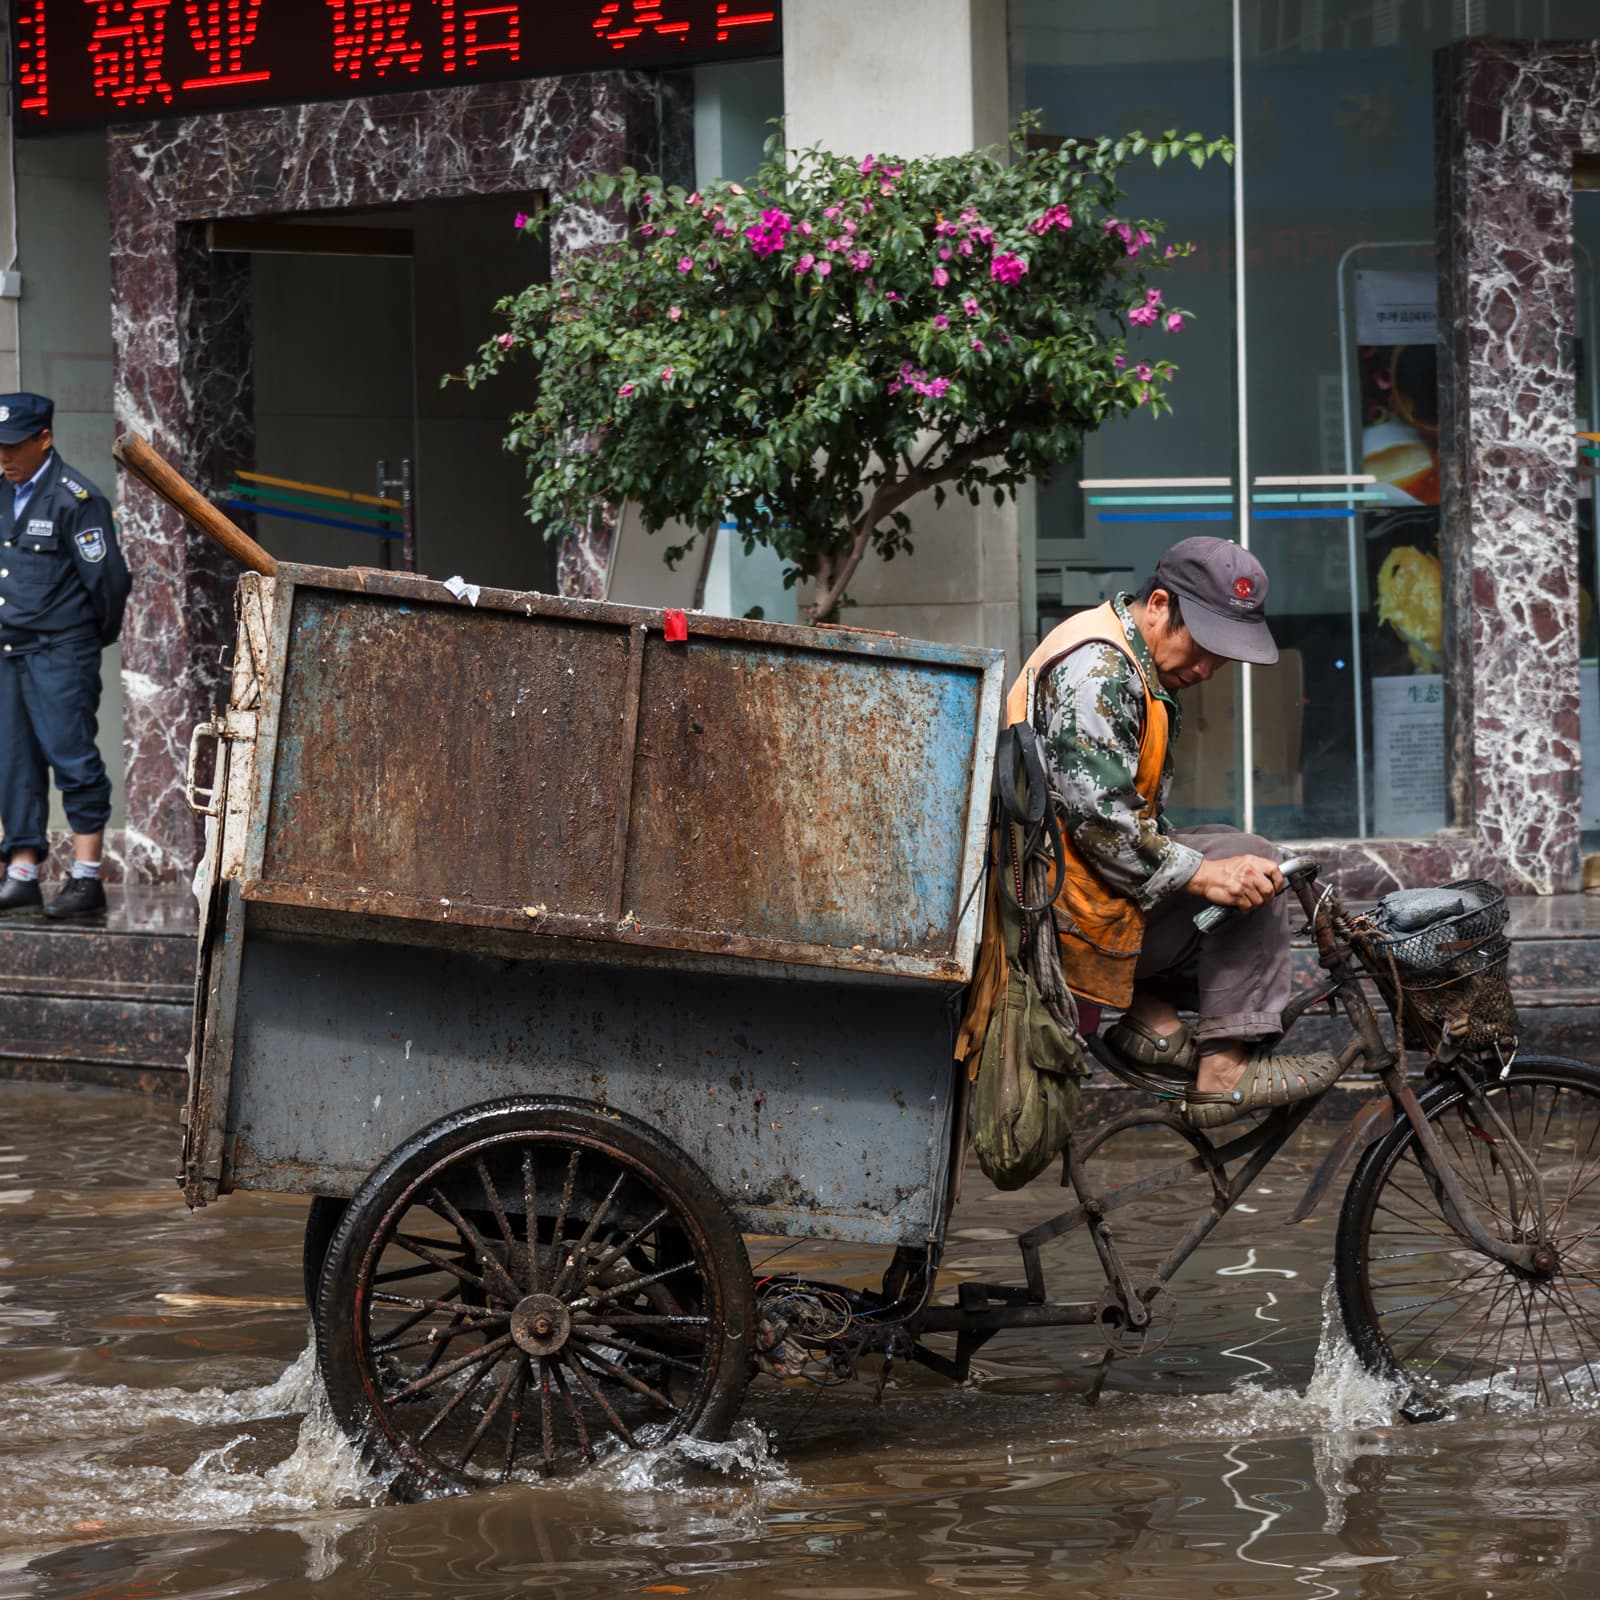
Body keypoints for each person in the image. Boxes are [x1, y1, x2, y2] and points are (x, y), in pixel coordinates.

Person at [1012, 536, 1341, 1127]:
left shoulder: (1127, 657)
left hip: (1067, 890)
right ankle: (1225, 1071)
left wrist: (1202, 866)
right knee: (1249, 862)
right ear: (1159, 604)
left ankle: (1154, 1018)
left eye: (1223, 655)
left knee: (1225, 846)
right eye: (1204, 645)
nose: (1208, 668)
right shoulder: (1100, 668)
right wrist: (1207, 874)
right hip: (1057, 915)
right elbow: (1102, 825)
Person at [0, 392, 131, 918]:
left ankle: (85, 877)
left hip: (61, 649)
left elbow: (109, 585)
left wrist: (79, 641)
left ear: (44, 440)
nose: (3, 458)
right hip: (9, 649)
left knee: (71, 756)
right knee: (14, 762)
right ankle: (23, 872)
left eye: (12, 447)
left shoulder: (76, 499)